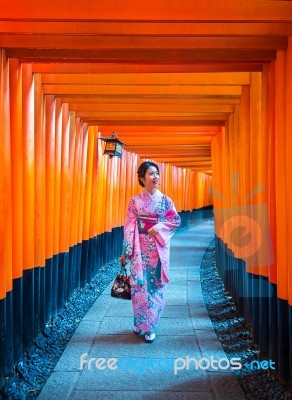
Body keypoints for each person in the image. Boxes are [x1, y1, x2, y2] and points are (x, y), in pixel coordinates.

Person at [120, 161, 181, 343]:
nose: (156, 177)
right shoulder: (134, 202)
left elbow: (175, 221)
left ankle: (151, 326)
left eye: (157, 173)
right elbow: (130, 226)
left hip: (158, 248)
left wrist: (160, 226)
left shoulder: (165, 201)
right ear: (142, 178)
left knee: (156, 287)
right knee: (139, 286)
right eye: (151, 174)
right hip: (139, 248)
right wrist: (125, 252)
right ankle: (139, 322)